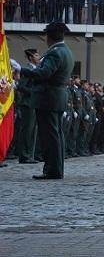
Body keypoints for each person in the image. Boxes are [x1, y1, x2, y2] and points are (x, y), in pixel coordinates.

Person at [11, 23, 74, 180]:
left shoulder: (55, 53)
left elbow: (44, 73)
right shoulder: (65, 51)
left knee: (49, 136)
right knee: (56, 135)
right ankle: (56, 169)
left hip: (48, 98)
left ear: (49, 37)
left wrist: (21, 69)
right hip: (56, 97)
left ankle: (52, 170)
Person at [13, 49, 40, 164]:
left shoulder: (36, 70)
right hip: (27, 103)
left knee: (32, 131)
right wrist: (34, 91)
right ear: (30, 58)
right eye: (36, 55)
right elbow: (21, 86)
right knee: (27, 130)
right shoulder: (27, 70)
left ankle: (29, 154)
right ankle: (24, 155)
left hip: (33, 103)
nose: (39, 57)